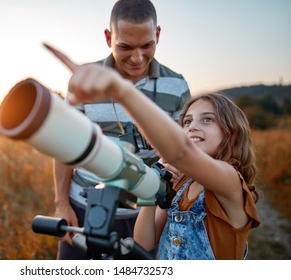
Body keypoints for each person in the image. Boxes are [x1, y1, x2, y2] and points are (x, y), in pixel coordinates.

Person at [45, 43, 261, 260]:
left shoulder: (230, 179)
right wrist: (152, 189)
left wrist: (120, 91)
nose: (192, 126)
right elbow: (144, 242)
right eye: (187, 121)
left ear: (231, 132)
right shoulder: (180, 183)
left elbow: (180, 152)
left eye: (207, 119)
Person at [53, 0, 190, 259]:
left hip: (147, 215)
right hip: (84, 207)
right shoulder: (84, 81)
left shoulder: (177, 86)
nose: (137, 58)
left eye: (147, 45)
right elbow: (64, 147)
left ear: (158, 34)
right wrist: (61, 204)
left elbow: (184, 155)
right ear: (108, 37)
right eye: (125, 47)